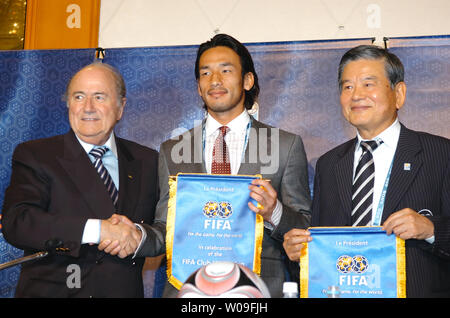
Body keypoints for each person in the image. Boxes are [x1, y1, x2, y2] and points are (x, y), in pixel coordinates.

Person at [107, 34, 311, 298]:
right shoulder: (172, 151)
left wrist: (275, 212)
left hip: (257, 292)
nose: (215, 80)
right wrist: (136, 235)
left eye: (226, 70)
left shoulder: (285, 145)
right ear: (198, 86)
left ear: (247, 80)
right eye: (206, 73)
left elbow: (304, 229)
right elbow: (165, 227)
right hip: (189, 291)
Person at [283, 45, 450, 297]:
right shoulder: (329, 165)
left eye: (368, 84)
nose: (356, 95)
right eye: (347, 87)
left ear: (399, 94)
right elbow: (322, 253)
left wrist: (431, 229)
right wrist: (299, 255)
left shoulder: (440, 154)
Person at [1, 62, 159, 297]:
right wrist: (98, 230)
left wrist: (138, 235)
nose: (87, 107)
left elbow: (167, 227)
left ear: (120, 107)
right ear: (68, 104)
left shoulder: (148, 160)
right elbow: (18, 222)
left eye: (99, 97)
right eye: (78, 96)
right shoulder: (36, 154)